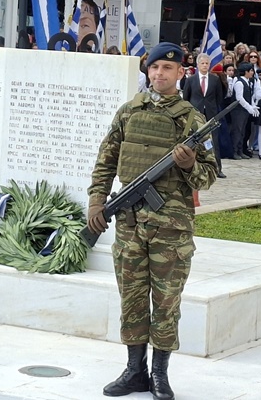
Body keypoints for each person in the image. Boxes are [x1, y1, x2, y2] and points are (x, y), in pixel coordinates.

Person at [87, 41, 217, 400]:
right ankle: (134, 371)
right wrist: (96, 202)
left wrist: (190, 165)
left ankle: (159, 373)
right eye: (155, 67)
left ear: (180, 73)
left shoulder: (192, 119)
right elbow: (105, 161)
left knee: (166, 301)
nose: (160, 74)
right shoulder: (129, 112)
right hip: (129, 224)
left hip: (171, 229)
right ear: (148, 71)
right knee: (131, 298)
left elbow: (208, 176)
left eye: (167, 68)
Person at [182, 54, 228, 177]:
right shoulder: (191, 80)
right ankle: (194, 167)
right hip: (195, 114)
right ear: (198, 65)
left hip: (211, 113)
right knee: (194, 139)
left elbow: (219, 97)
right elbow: (186, 98)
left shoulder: (215, 80)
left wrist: (214, 109)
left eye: (207, 63)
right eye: (202, 63)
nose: (204, 65)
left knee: (213, 140)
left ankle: (217, 168)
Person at [230, 63, 260, 159]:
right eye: (250, 71)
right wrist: (249, 107)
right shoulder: (239, 83)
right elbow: (239, 98)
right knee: (237, 131)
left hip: (244, 111)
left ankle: (240, 150)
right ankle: (234, 151)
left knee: (242, 131)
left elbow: (249, 96)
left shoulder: (248, 82)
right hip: (238, 111)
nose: (252, 73)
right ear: (246, 72)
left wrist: (253, 106)